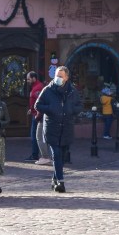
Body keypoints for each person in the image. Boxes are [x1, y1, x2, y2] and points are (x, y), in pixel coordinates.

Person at [35, 65, 82, 193]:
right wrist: (50, 109)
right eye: (56, 75)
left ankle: (55, 179)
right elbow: (37, 105)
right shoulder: (47, 90)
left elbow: (79, 106)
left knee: (62, 154)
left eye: (61, 76)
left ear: (66, 78)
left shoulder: (72, 92)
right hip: (51, 127)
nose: (58, 78)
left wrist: (71, 110)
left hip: (66, 127)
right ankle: (61, 181)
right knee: (56, 154)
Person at [26, 70, 44, 161]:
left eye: (29, 79)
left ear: (34, 78)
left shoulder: (37, 88)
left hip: (37, 116)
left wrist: (36, 112)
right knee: (36, 135)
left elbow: (40, 102)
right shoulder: (35, 87)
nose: (27, 81)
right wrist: (31, 109)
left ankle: (35, 155)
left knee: (35, 136)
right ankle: (36, 154)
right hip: (35, 113)